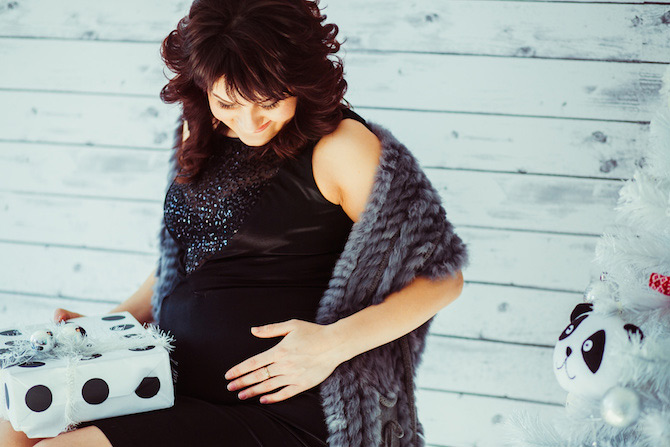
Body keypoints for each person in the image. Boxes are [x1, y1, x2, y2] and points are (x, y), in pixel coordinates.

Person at [0, 0, 467, 446]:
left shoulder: (342, 148)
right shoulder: (199, 129)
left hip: (278, 410)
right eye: (228, 102)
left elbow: (442, 279)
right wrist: (110, 326)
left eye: (268, 101)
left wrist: (332, 345)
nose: (249, 122)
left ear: (298, 79)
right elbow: (190, 258)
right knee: (12, 429)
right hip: (168, 381)